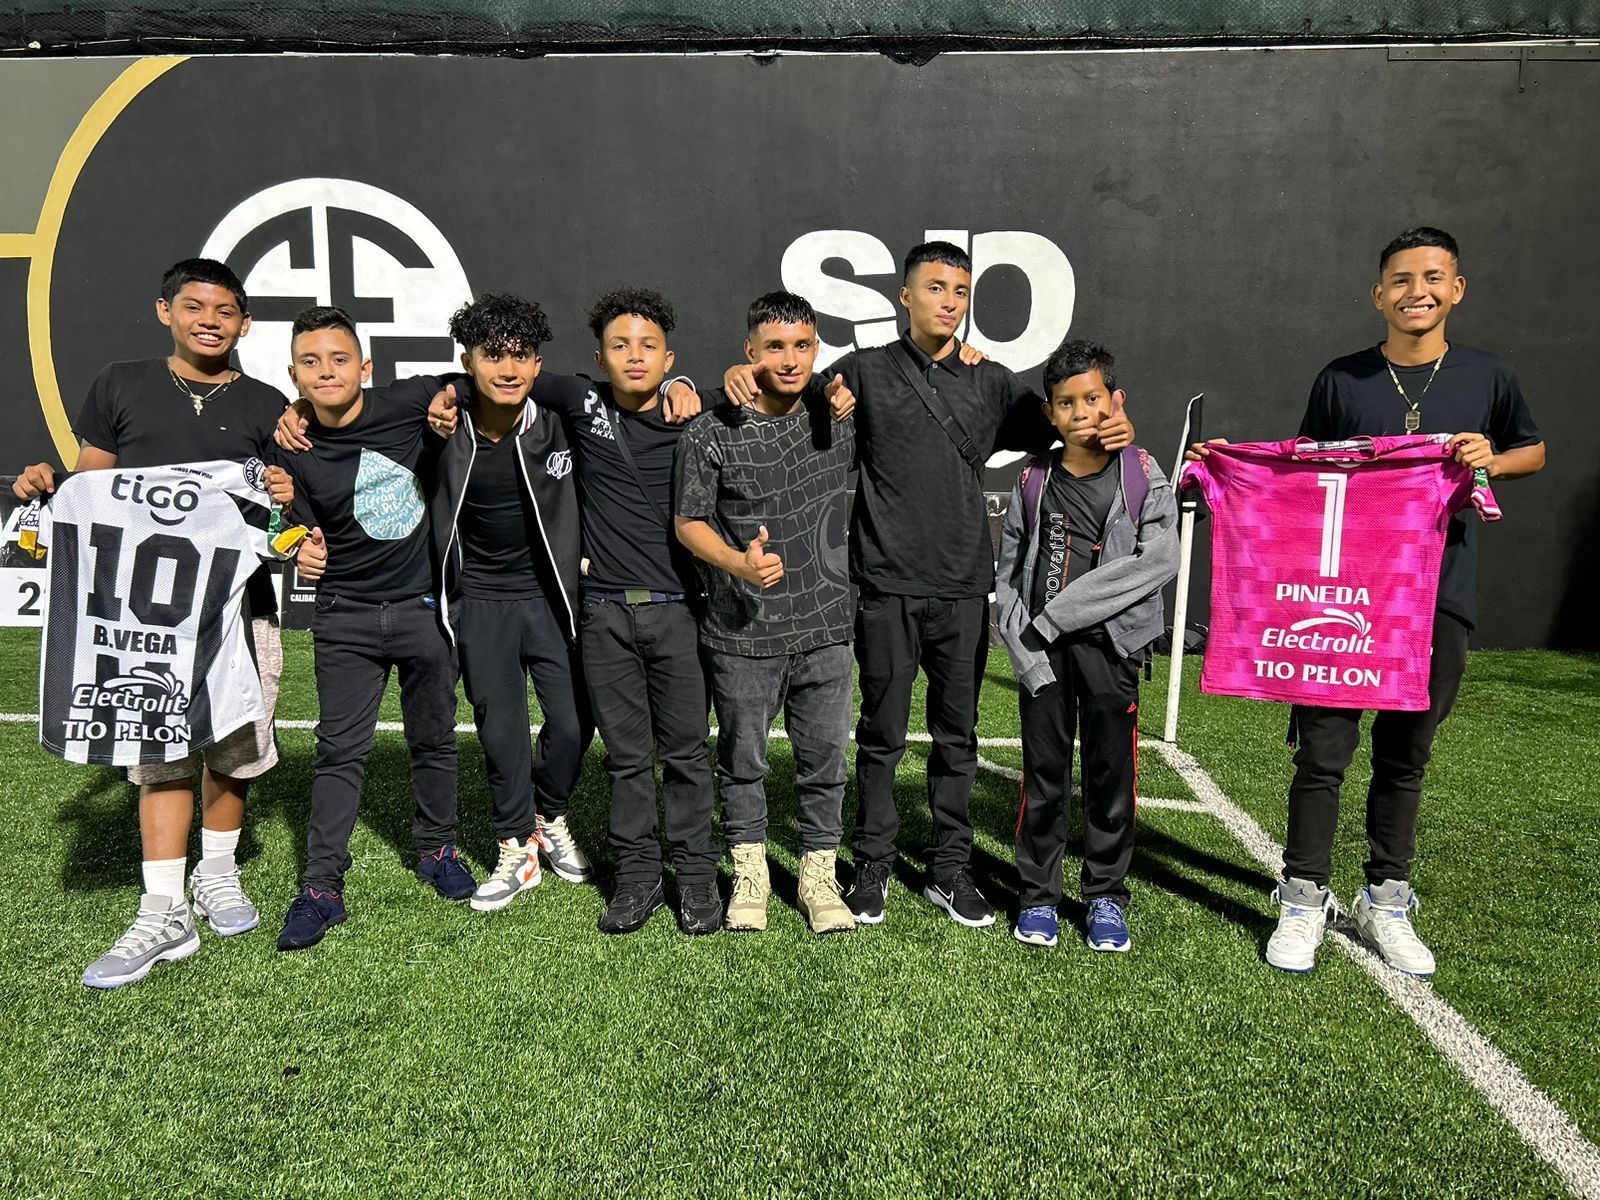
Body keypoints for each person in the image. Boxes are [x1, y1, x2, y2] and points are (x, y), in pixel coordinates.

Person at [722, 241, 1135, 928]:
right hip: (885, 588)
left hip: (964, 589)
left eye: (961, 290)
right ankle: (874, 865)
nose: (949, 301)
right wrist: (737, 374)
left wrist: (1113, 426)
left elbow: (1070, 433)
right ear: (905, 296)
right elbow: (782, 391)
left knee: (957, 738)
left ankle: (949, 868)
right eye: (936, 287)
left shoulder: (991, 379)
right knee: (881, 736)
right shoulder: (862, 371)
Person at [1191, 226, 1545, 976]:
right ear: (1378, 294)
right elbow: (1302, 473)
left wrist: (1491, 460)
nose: (1418, 291)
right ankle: (1303, 895)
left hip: (1436, 594)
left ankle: (1386, 897)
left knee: (1406, 754)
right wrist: (1228, 464)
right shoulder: (1342, 380)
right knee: (1322, 752)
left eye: (1433, 277)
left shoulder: (1488, 374)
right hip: (1344, 593)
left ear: (1456, 289)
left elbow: (1532, 450)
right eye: (1402, 279)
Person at [12, 258, 299, 989]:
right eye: (194, 306)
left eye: (226, 310)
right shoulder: (120, 383)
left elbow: (281, 516)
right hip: (145, 610)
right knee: (159, 748)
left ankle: (219, 871)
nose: (210, 320)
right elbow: (94, 486)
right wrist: (49, 487)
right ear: (164, 310)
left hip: (236, 602)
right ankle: (164, 905)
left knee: (235, 742)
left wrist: (281, 492)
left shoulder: (267, 403)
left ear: (245, 324)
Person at [512, 289, 719, 935]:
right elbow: (501, 374)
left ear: (670, 359)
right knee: (627, 760)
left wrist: (690, 387)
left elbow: (771, 385)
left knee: (686, 755)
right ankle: (637, 879)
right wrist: (445, 393)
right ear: (599, 359)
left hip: (679, 613)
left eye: (649, 346)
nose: (635, 355)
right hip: (604, 615)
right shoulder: (580, 400)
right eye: (620, 345)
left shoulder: (694, 410)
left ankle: (696, 879)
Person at [270, 306, 473, 951]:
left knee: (434, 739)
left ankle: (437, 849)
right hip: (344, 616)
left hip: (423, 608)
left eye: (339, 359)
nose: (326, 371)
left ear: (366, 367)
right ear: (294, 375)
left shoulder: (408, 400)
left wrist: (446, 401)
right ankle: (321, 887)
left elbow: (469, 380)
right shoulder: (289, 444)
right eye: (310, 362)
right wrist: (297, 546)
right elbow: (283, 527)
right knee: (339, 751)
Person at [676, 292, 858, 935]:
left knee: (826, 762)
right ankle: (750, 874)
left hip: (827, 628)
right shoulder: (710, 430)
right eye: (774, 346)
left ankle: (817, 877)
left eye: (802, 345)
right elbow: (688, 522)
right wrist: (739, 565)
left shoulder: (839, 414)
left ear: (817, 349)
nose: (789, 359)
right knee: (743, 762)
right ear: (749, 351)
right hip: (741, 630)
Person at [995, 340, 1178, 951]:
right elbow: (1008, 576)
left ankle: (1105, 895)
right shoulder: (1033, 478)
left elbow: (1159, 561)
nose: (1081, 412)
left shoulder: (1141, 473)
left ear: (1115, 400)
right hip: (1043, 654)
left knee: (1111, 777)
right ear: (1050, 413)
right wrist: (1026, 647)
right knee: (1044, 777)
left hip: (1111, 651)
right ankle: (1038, 896)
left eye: (1092, 398)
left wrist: (1058, 616)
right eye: (1066, 403)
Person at [425, 293, 593, 913]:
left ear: (538, 363)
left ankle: (549, 814)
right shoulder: (444, 428)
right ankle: (516, 845)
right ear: (468, 361)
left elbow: (631, 394)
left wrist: (679, 384)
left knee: (572, 724)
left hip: (552, 599)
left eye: (521, 356)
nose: (508, 368)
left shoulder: (559, 422)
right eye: (493, 355)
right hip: (483, 603)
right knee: (501, 734)